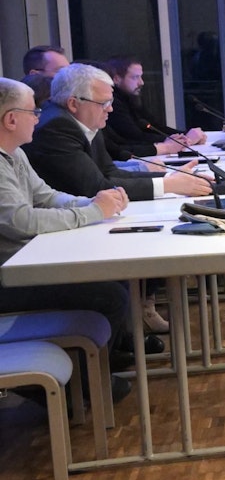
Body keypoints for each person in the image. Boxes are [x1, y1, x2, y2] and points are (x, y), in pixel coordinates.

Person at [0, 76, 134, 379]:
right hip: (7, 278)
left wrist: (93, 202)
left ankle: (104, 365)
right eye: (32, 112)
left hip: (23, 262)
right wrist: (93, 213)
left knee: (114, 282)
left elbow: (46, 196)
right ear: (11, 119)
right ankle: (79, 387)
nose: (38, 118)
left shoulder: (15, 153)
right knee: (108, 295)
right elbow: (22, 221)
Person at [24, 64, 212, 201]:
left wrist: (171, 178)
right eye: (103, 103)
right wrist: (170, 185)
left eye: (110, 102)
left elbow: (109, 172)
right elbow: (95, 188)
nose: (110, 109)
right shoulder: (56, 128)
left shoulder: (84, 118)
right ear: (73, 103)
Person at [96, 56, 205, 159]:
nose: (141, 83)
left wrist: (183, 135)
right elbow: (133, 137)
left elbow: (154, 126)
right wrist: (180, 140)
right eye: (135, 77)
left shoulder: (130, 97)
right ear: (116, 79)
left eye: (141, 77)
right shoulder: (114, 103)